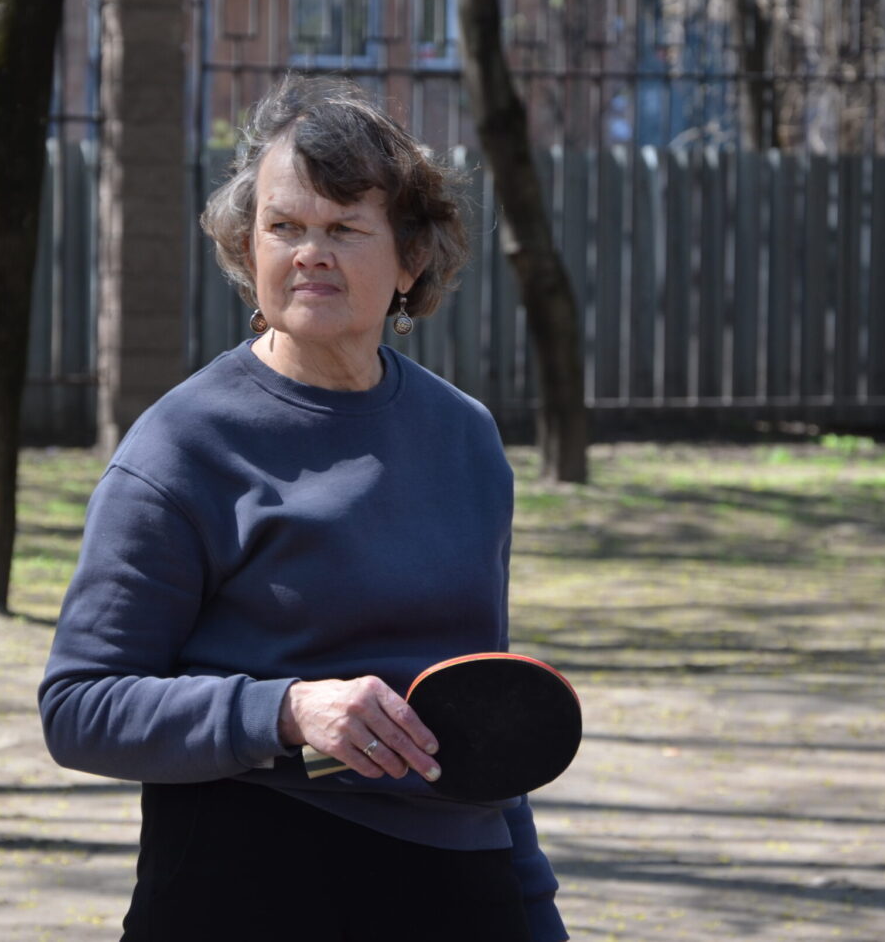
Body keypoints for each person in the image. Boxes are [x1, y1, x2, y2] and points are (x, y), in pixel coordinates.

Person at [38, 77, 567, 942]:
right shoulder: (183, 445)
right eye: (285, 226)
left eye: (345, 228)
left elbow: (480, 712)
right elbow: (81, 708)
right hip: (247, 876)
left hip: (460, 885)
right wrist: (283, 711)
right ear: (247, 249)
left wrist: (535, 913)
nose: (310, 253)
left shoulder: (465, 437)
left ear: (411, 260)